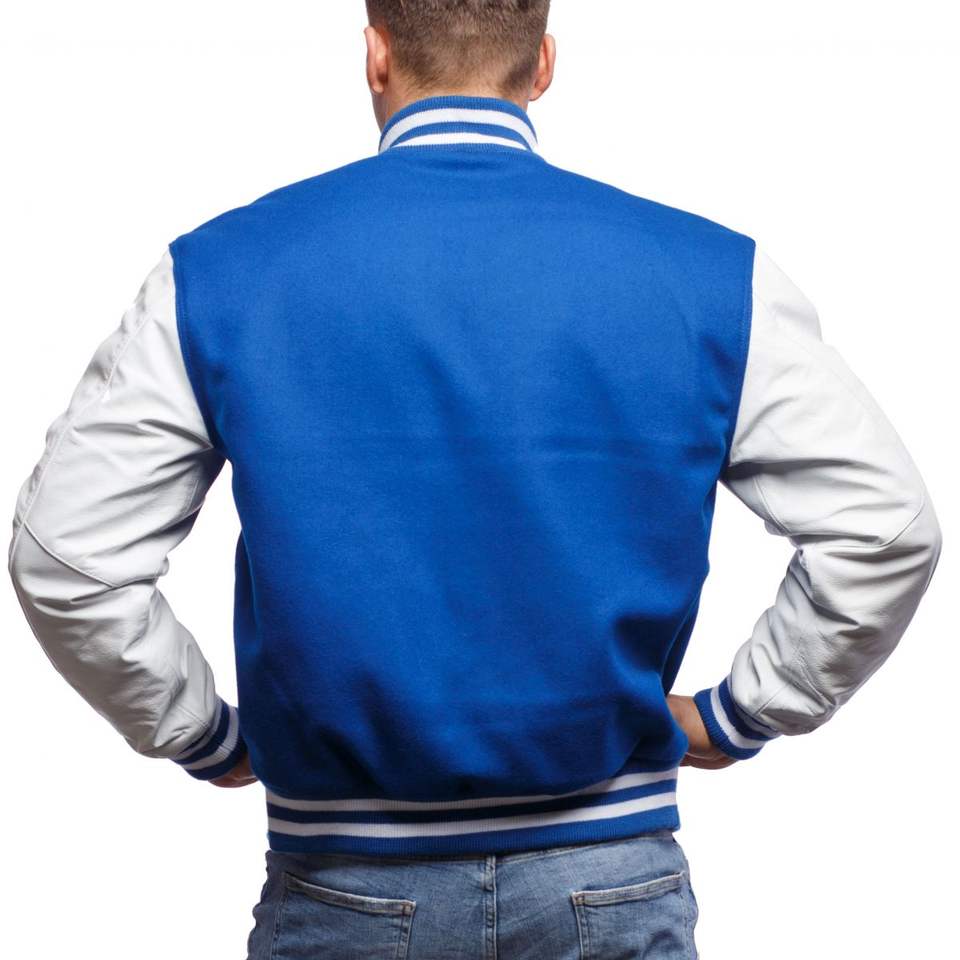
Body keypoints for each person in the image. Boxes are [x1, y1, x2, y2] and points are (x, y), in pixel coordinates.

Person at [7, 2, 942, 958]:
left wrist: (202, 731)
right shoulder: (709, 275)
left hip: (346, 883)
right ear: (543, 64)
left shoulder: (218, 272)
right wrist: (738, 715)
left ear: (375, 56)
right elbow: (884, 528)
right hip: (610, 879)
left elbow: (68, 554)